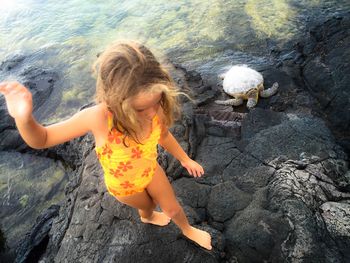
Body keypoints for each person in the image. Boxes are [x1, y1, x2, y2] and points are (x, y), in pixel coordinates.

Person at [0, 41, 212, 250]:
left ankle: (187, 230)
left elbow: (163, 136)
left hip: (150, 170)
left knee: (172, 208)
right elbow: (43, 139)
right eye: (139, 109)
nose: (150, 113)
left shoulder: (155, 109)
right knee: (147, 206)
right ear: (113, 100)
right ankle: (147, 216)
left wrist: (185, 158)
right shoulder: (98, 118)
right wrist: (24, 119)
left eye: (156, 102)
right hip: (124, 186)